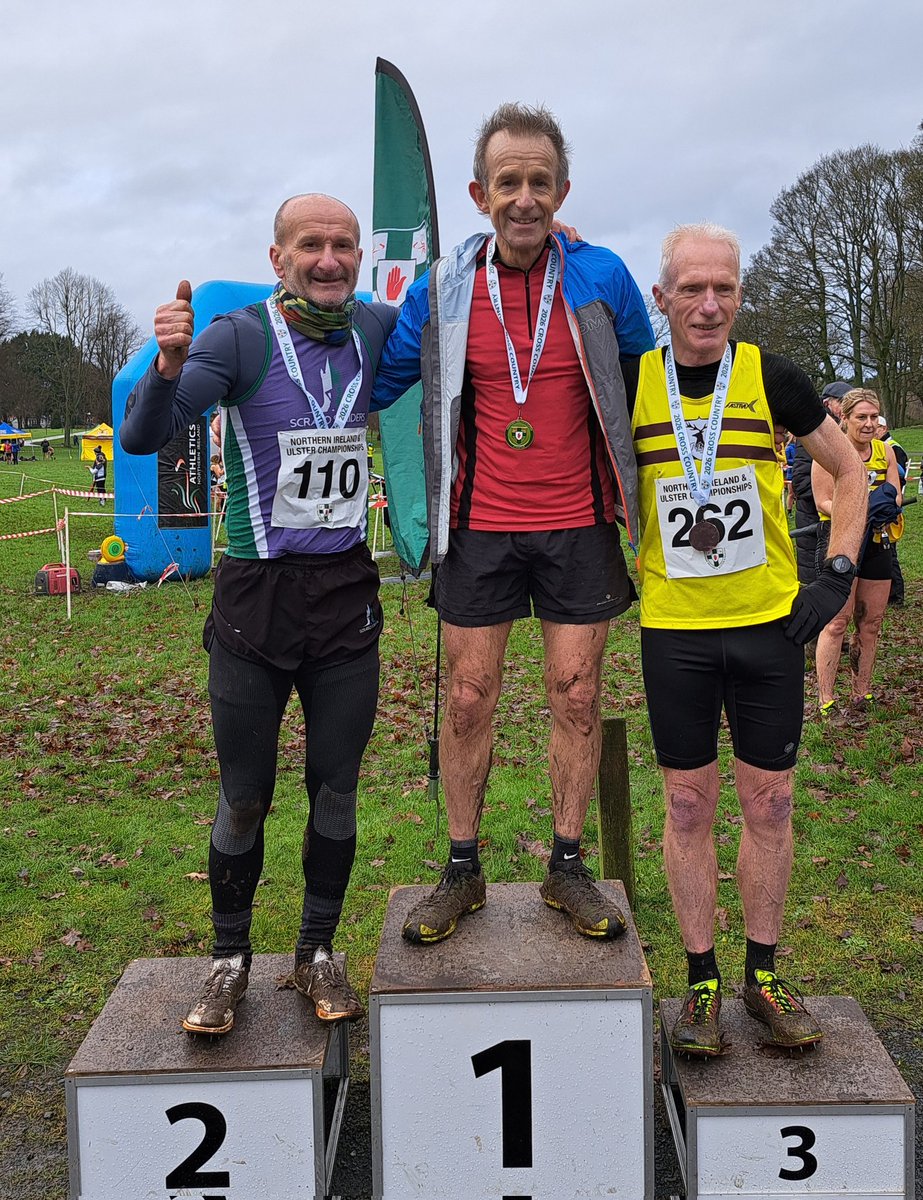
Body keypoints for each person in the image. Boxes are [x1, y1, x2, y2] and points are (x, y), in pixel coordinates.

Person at [373, 102, 655, 945]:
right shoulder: (443, 287)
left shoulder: (603, 275)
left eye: (539, 182)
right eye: (508, 182)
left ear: (562, 190)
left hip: (578, 525)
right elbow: (380, 380)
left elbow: (649, 384)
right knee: (466, 700)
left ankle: (566, 867)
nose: (524, 198)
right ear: (477, 193)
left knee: (576, 697)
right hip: (481, 527)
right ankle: (461, 867)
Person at [120, 193, 399, 1034]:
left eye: (342, 244)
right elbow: (143, 436)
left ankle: (315, 952)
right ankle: (228, 960)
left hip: (344, 598)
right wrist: (167, 368)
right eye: (309, 244)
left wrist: (550, 244)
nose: (328, 258)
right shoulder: (238, 335)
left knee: (336, 789)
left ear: (357, 257)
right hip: (255, 599)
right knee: (244, 796)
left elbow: (452, 301)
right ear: (278, 258)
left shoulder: (377, 329)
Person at [624, 223, 866, 1055]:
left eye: (722, 287)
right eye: (690, 288)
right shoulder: (632, 379)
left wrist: (834, 572)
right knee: (688, 806)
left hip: (767, 627)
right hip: (675, 631)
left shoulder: (770, 375)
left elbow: (852, 471)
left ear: (738, 294)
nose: (708, 303)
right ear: (661, 298)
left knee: (770, 802)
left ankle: (762, 975)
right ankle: (700, 983)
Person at [813, 389, 902, 714]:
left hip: (877, 542)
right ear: (845, 418)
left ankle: (860, 691)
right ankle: (826, 698)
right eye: (860, 417)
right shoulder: (829, 450)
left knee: (871, 622)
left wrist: (882, 505)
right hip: (840, 541)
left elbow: (894, 496)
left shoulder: (884, 451)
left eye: (873, 417)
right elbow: (823, 500)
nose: (868, 424)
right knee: (837, 621)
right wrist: (864, 508)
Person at [789, 381, 851, 583]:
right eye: (842, 401)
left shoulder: (849, 431)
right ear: (827, 404)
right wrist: (825, 496)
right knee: (814, 577)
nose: (846, 406)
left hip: (839, 512)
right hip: (814, 516)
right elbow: (801, 479)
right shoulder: (811, 430)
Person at [878, 413, 907, 606]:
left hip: (888, 507)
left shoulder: (892, 448)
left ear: (884, 428)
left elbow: (900, 474)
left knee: (890, 553)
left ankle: (896, 595)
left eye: (877, 426)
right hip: (882, 506)